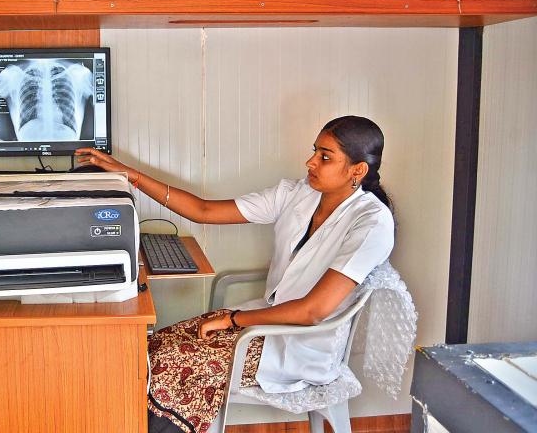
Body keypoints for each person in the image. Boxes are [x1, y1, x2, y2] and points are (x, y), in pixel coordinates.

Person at [75, 115, 395, 433]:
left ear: (357, 170)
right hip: (262, 321)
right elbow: (204, 211)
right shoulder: (299, 193)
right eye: (315, 151)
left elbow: (313, 311)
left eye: (325, 157)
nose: (310, 162)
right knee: (153, 347)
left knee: (170, 365)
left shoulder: (371, 223)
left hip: (302, 345)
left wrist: (232, 319)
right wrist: (129, 175)